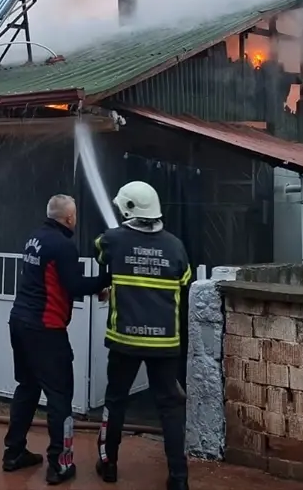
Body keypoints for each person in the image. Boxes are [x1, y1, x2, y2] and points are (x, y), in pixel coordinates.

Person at [92, 181, 192, 490]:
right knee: (170, 408)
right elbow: (185, 281)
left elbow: (99, 254)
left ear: (126, 209)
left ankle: (108, 465)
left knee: (115, 400)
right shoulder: (175, 246)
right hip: (164, 343)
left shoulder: (113, 240)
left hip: (125, 340)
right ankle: (178, 479)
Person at [4, 194, 109, 485]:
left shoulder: (35, 238)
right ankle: (60, 464)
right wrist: (106, 279)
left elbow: (57, 283)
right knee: (60, 396)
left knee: (27, 387)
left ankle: (13, 453)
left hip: (20, 322)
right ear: (70, 218)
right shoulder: (63, 245)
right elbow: (74, 284)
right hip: (46, 330)